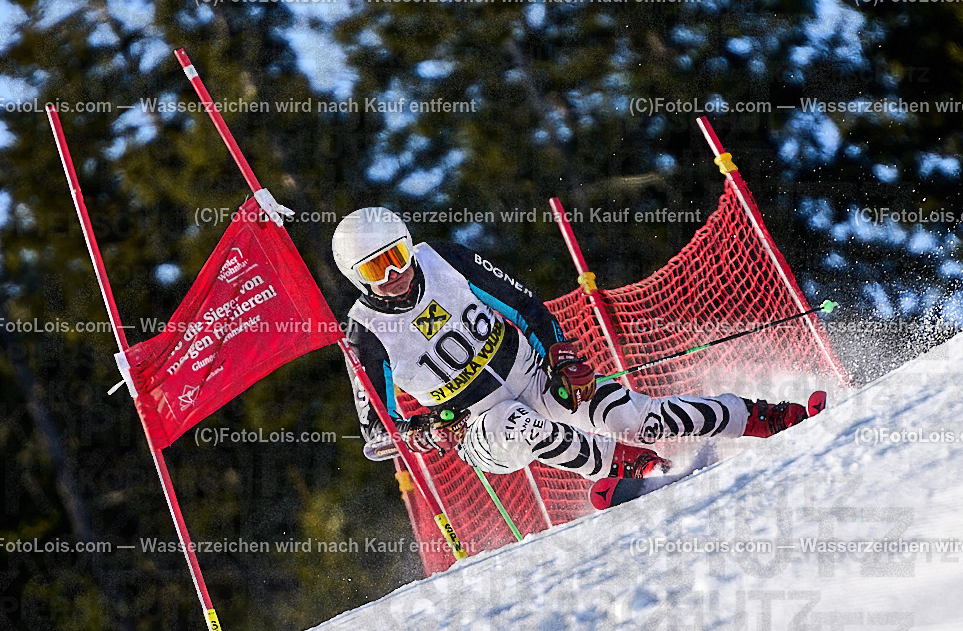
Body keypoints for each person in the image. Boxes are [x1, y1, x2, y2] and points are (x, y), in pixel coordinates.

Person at [333, 208, 824, 509]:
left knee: (632, 414)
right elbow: (378, 434)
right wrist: (425, 433)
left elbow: (524, 305)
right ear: (358, 278)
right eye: (377, 268)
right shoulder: (364, 332)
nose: (395, 272)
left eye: (397, 254)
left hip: (533, 374)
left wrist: (561, 357)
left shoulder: (441, 258)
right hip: (479, 426)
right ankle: (623, 469)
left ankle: (768, 417)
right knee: (515, 422)